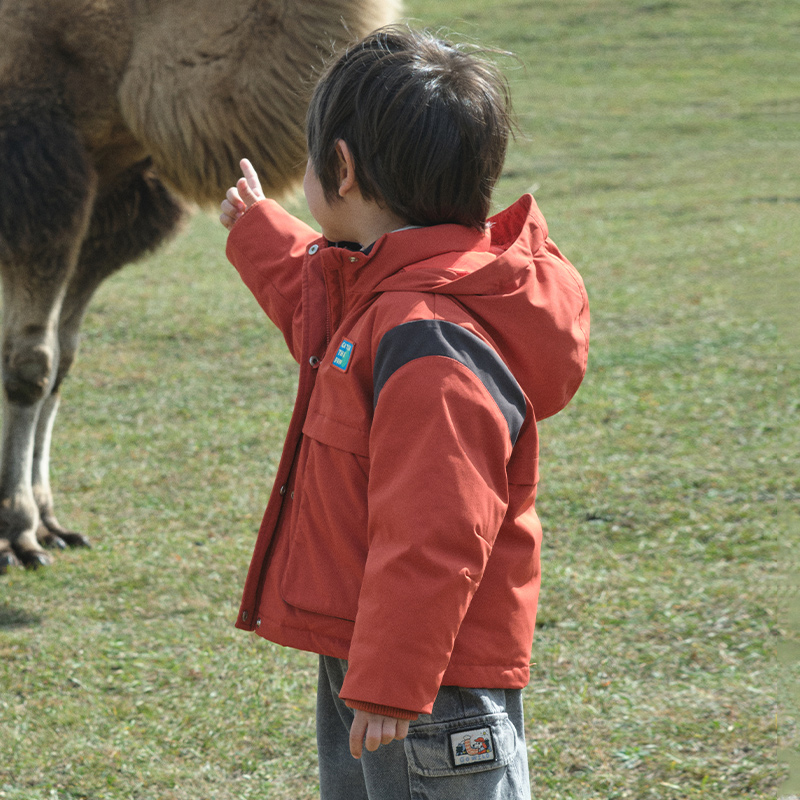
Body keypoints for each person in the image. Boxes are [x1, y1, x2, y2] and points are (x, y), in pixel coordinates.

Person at [220, 25, 589, 800]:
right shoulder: (389, 296)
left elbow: (437, 527)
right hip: (383, 657)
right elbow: (319, 309)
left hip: (430, 687)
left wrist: (393, 678)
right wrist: (258, 230)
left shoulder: (430, 341)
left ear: (342, 169)